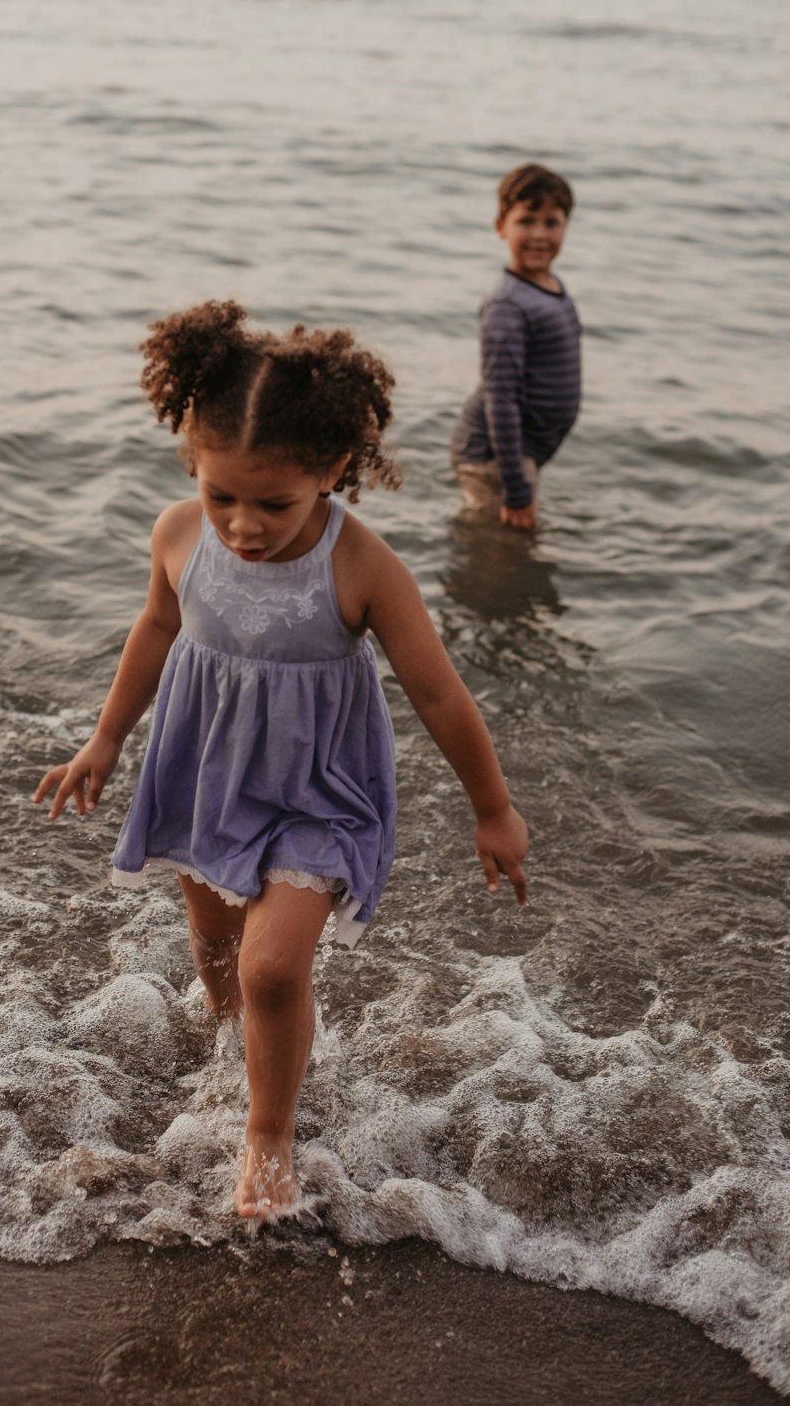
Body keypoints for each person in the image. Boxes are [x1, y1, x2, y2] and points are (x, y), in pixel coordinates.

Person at [34, 300, 529, 1221]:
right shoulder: (180, 534)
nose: (243, 526)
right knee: (220, 951)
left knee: (270, 967)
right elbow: (155, 628)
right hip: (203, 771)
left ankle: (268, 1138)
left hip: (319, 792)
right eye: (222, 495)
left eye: (273, 504)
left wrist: (492, 807)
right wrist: (105, 738)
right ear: (193, 462)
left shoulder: (362, 566)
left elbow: (438, 694)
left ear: (332, 472)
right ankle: (245, 1050)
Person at [452, 163, 581, 531]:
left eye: (551, 222)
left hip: (517, 455)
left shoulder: (550, 286)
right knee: (503, 547)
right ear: (500, 227)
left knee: (508, 538)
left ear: (566, 227)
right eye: (526, 221)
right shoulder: (507, 304)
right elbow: (501, 398)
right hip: (493, 456)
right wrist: (516, 488)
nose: (539, 234)